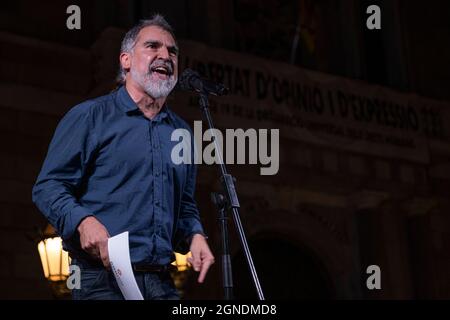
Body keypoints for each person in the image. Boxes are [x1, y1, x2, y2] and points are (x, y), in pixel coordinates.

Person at [32, 14, 215, 300]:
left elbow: (185, 205)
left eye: (172, 51)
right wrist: (83, 221)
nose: (165, 55)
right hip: (100, 281)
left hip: (162, 283)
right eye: (152, 46)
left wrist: (196, 236)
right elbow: (48, 186)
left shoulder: (182, 133)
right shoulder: (90, 117)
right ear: (126, 60)